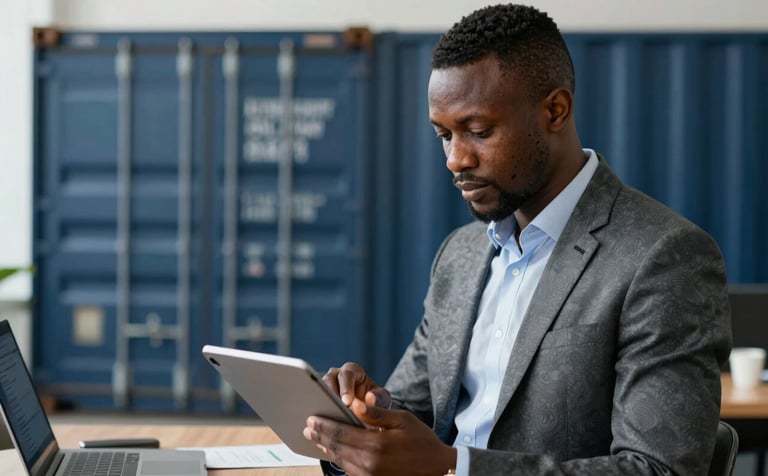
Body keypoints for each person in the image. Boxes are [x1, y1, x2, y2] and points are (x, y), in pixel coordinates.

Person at [302, 3, 732, 475]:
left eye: (478, 131)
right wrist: (365, 415)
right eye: (444, 135)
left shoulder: (664, 257)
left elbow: (659, 470)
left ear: (555, 110)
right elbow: (415, 410)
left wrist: (454, 465)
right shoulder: (460, 255)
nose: (455, 158)